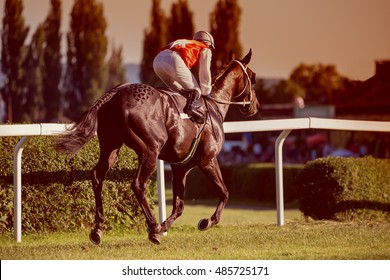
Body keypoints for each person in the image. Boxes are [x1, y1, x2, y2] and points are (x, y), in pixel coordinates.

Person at [153, 31, 215, 123]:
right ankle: (191, 110)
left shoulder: (187, 42)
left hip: (157, 62)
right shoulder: (206, 48)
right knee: (196, 90)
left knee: (180, 90)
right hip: (173, 60)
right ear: (209, 44)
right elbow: (204, 71)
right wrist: (206, 92)